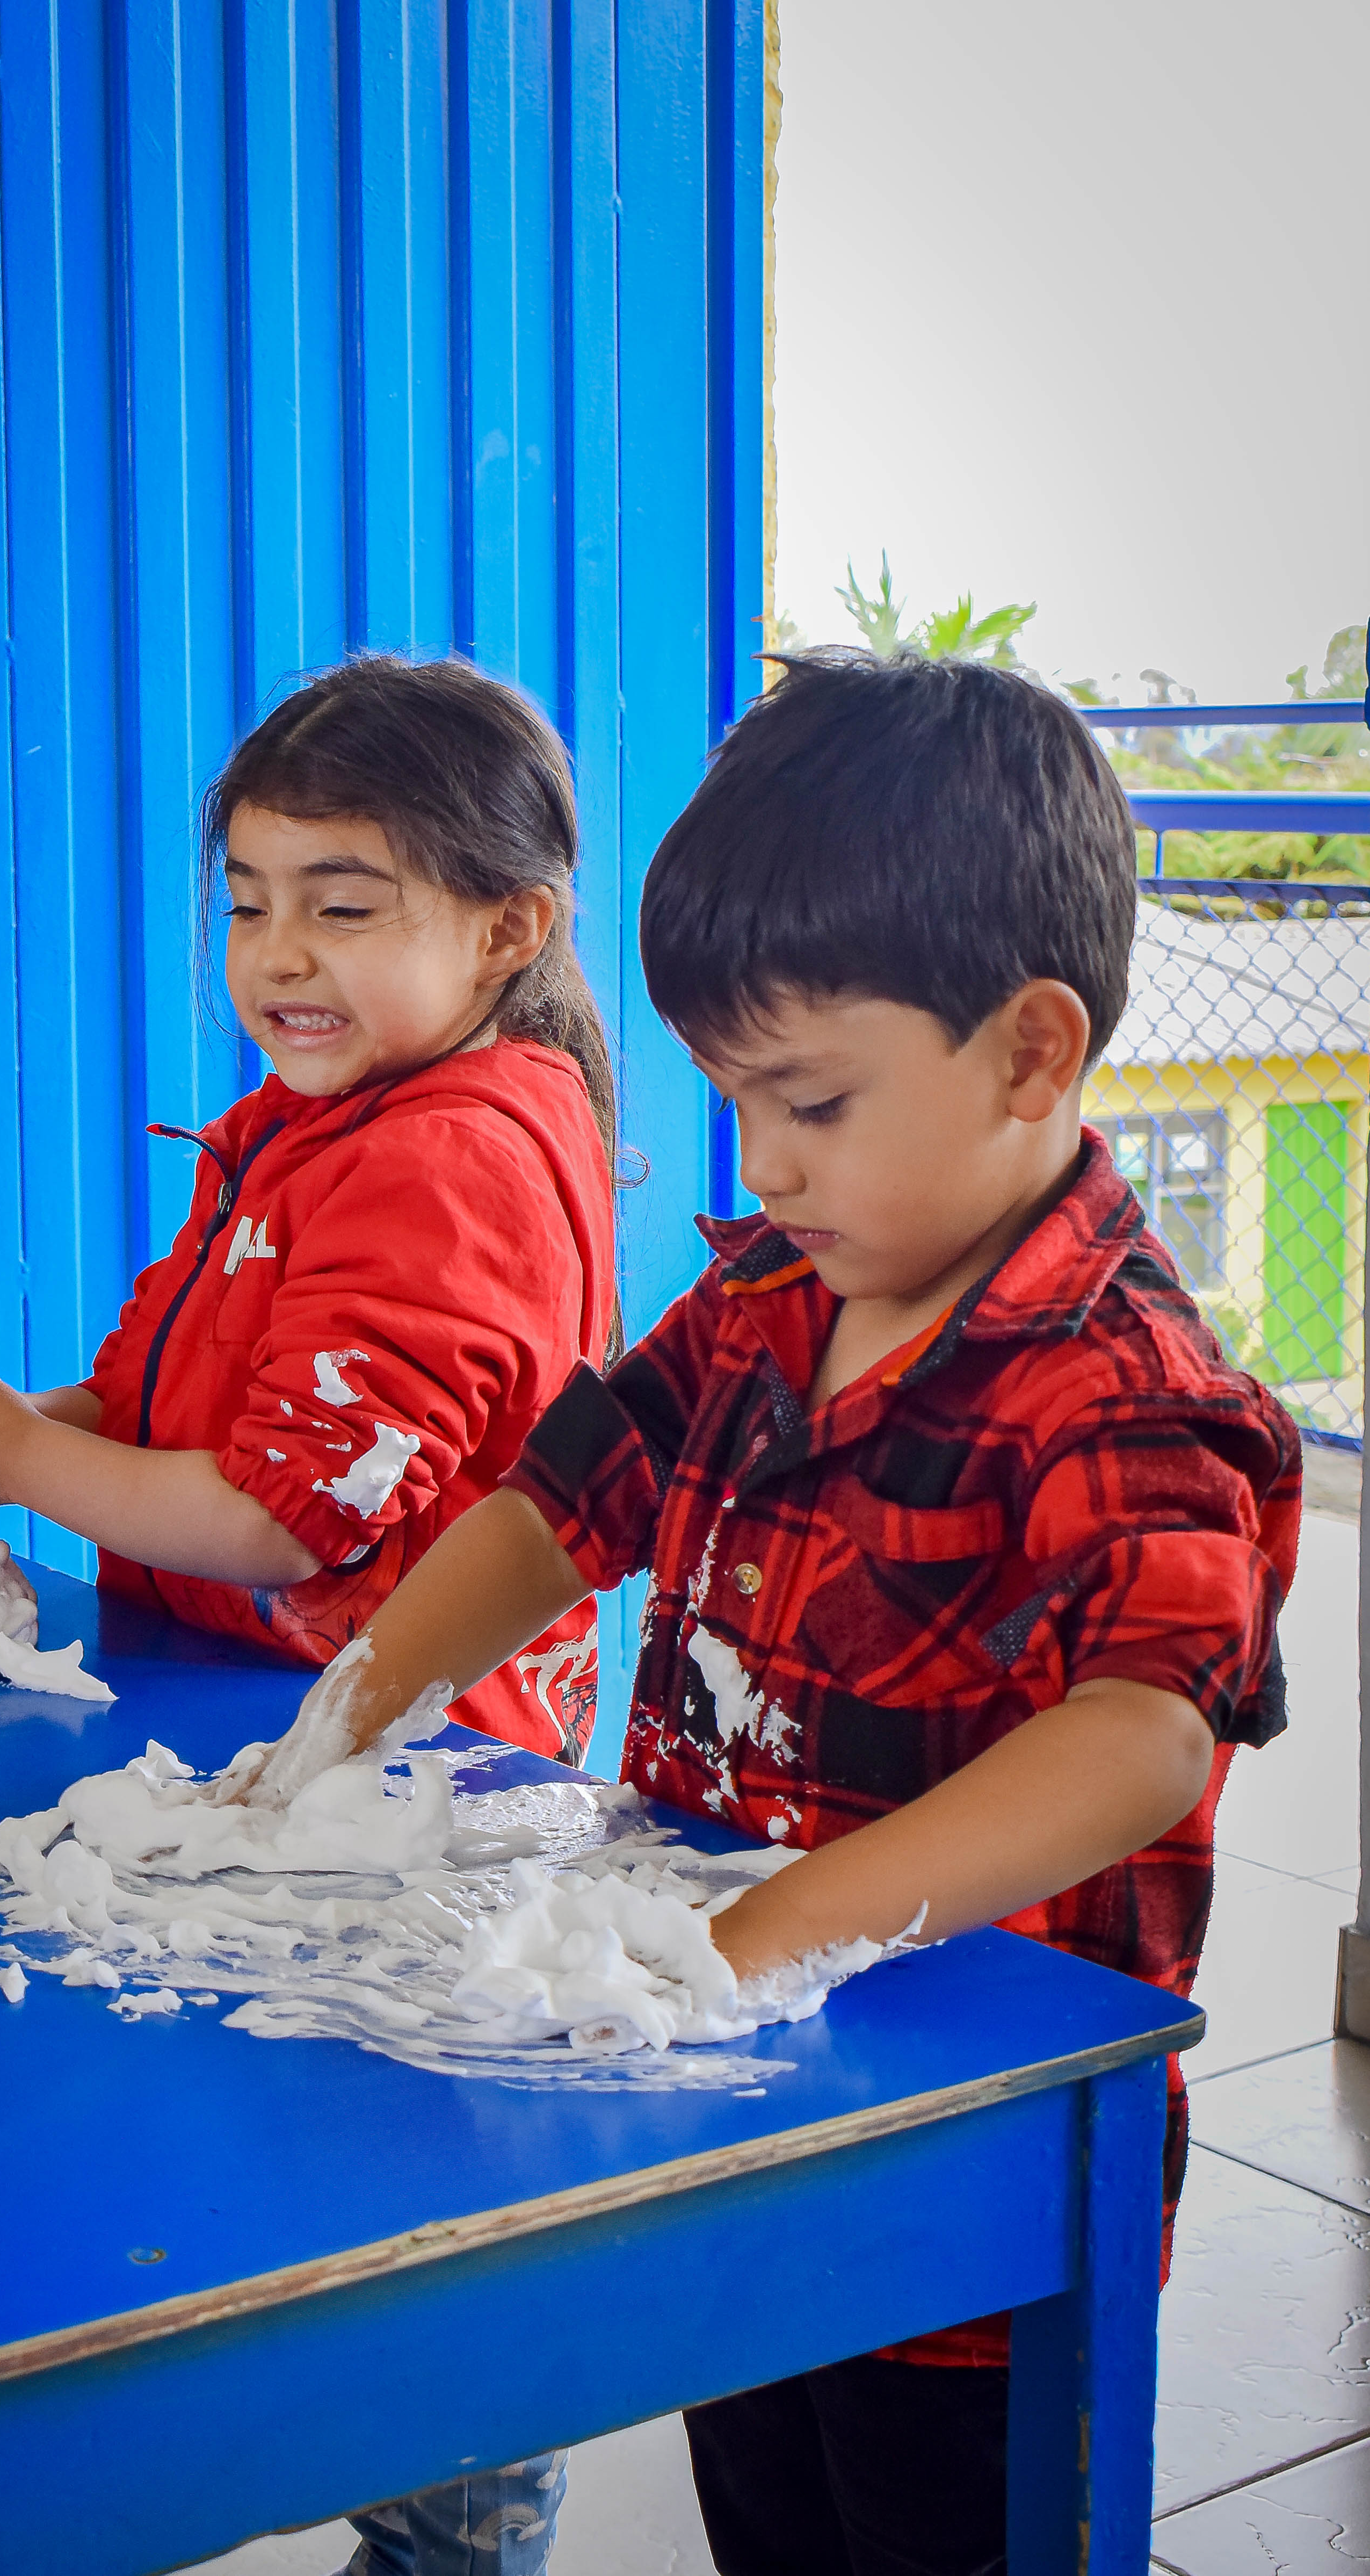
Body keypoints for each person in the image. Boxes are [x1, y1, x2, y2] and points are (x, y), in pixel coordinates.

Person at [239, 650, 1302, 2575]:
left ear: (1031, 1054)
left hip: (958, 2195)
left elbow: (1145, 1729)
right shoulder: (765, 1302)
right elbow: (562, 1502)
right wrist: (359, 1699)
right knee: (772, 2513)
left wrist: (765, 1934)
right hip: (734, 2126)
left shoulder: (1115, 1383)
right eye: (731, 1098)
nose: (759, 1161)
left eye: (806, 1099)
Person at [0, 653, 616, 1769]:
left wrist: (15, 1460)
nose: (278, 954)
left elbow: (281, 1518)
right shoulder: (303, 1124)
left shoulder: (450, 1167)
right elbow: (162, 1410)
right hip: (246, 1703)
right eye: (249, 902)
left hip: (412, 1776)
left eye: (346, 908)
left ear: (510, 931)